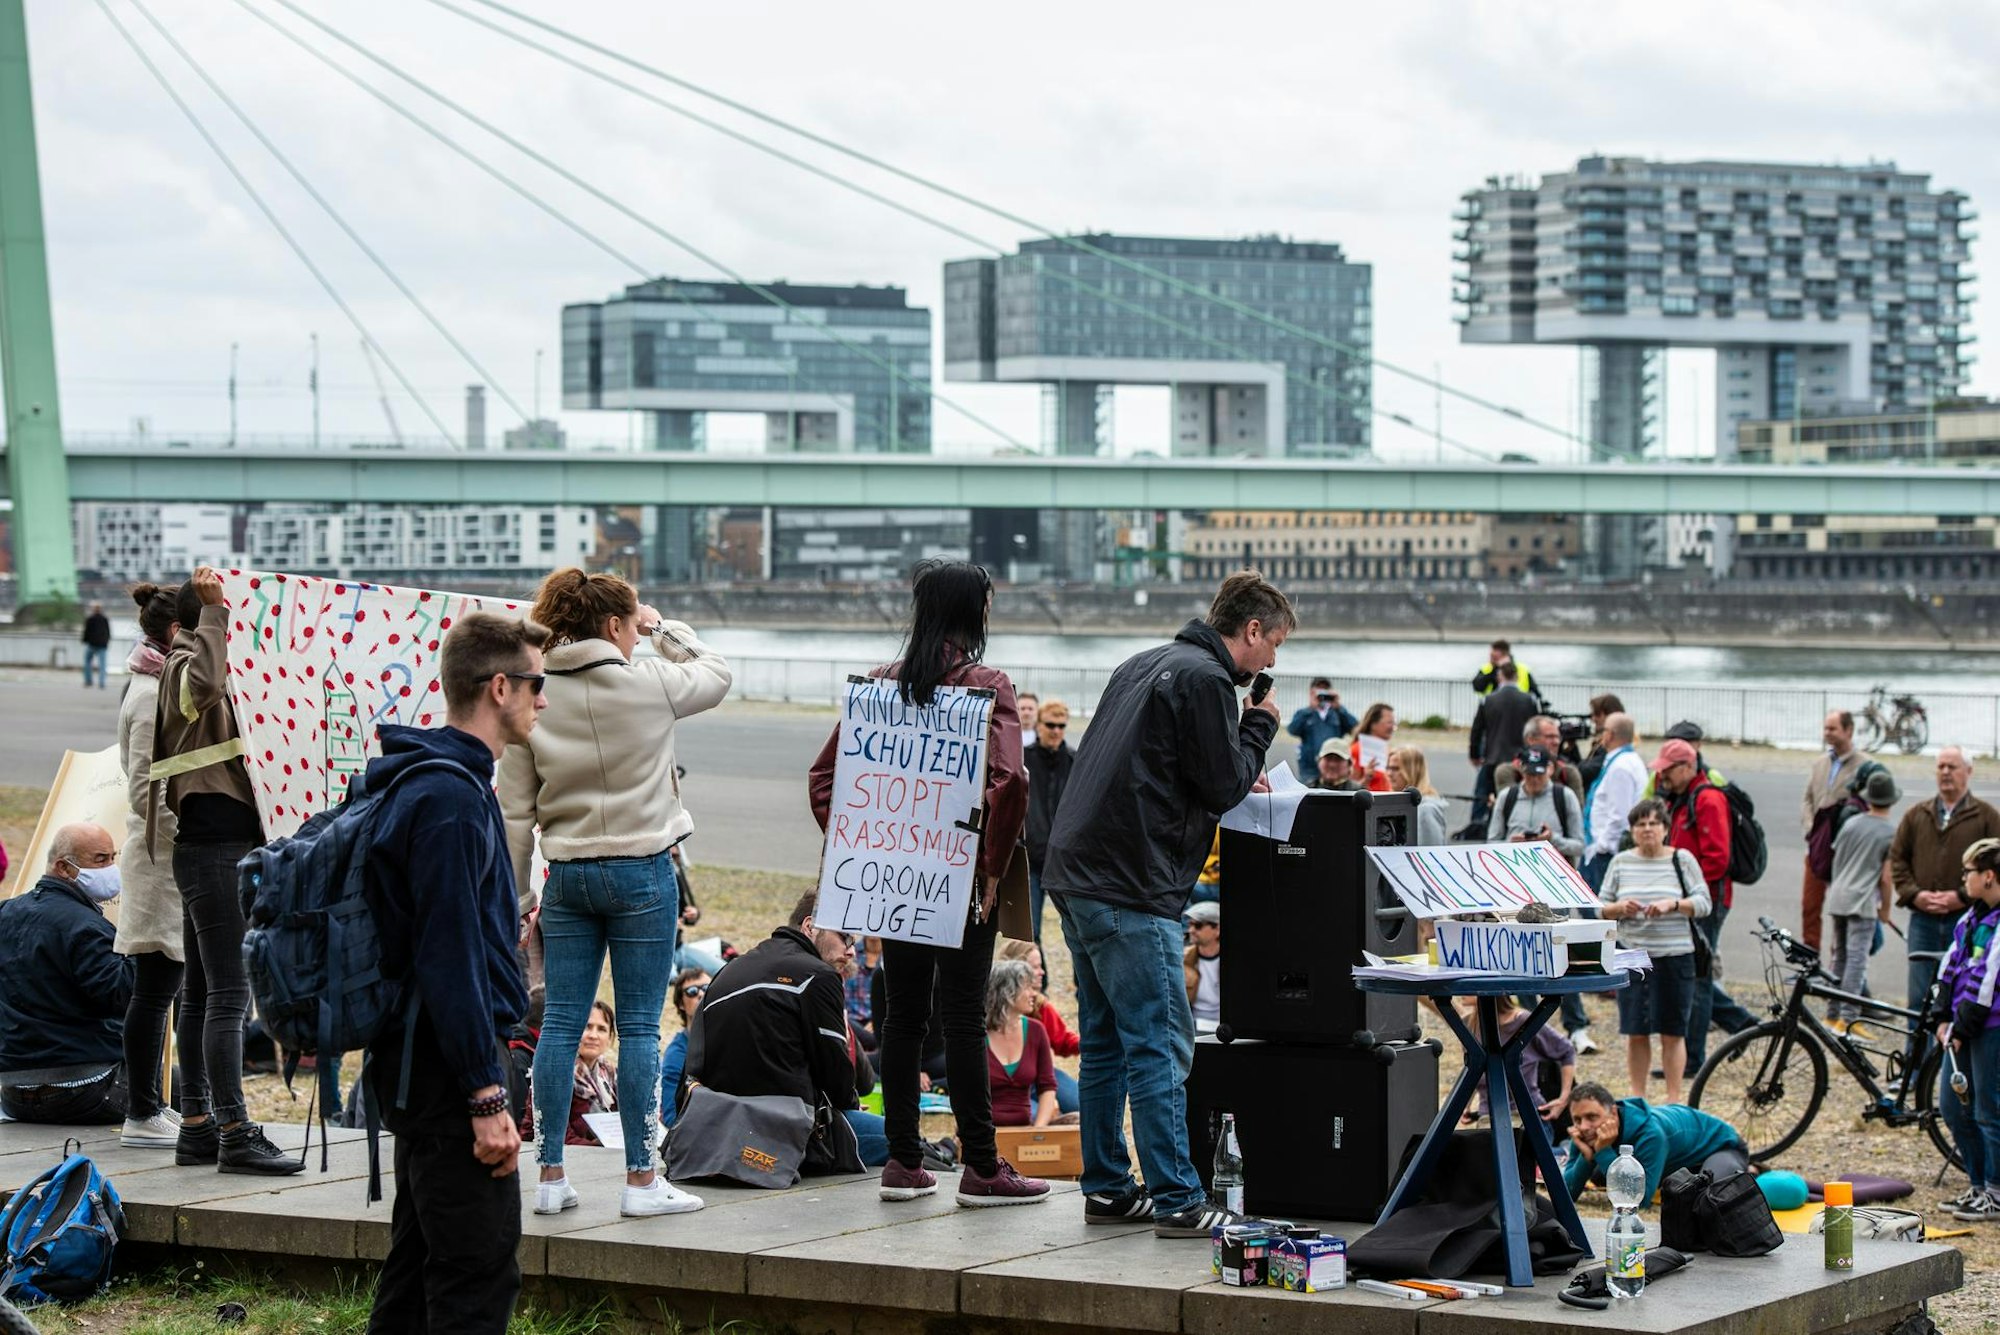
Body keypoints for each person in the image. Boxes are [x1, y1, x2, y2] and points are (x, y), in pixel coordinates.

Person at [1042, 570, 1290, 1237]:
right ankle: (1179, 1195)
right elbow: (1221, 783)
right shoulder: (1208, 679)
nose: (1272, 661)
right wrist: (1259, 726)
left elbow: (1157, 763)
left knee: (1104, 1043)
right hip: (1133, 882)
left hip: (1076, 873)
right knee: (1158, 1043)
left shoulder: (1141, 663)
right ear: (1252, 629)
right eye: (1274, 645)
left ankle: (1108, 1186)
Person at [499, 568, 731, 1219]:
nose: (638, 633)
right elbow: (717, 672)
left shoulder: (534, 696)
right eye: (632, 624)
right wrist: (666, 630)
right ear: (613, 625)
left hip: (568, 875)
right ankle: (639, 1180)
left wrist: (520, 900)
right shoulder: (650, 680)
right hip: (642, 873)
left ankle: (548, 1174)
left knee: (560, 1024)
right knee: (636, 1027)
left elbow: (515, 814)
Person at [807, 559, 1041, 1207]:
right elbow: (1012, 781)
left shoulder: (880, 684)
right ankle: (984, 1167)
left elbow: (824, 778)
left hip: (897, 871)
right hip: (962, 878)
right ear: (977, 612)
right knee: (963, 1016)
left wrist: (864, 839)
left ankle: (904, 1163)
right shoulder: (986, 683)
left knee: (903, 1016)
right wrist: (992, 865)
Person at [360, 610, 547, 1333]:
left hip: (418, 1059)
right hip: (447, 1067)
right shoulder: (448, 799)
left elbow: (447, 933)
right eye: (535, 684)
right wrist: (485, 1094)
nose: (543, 699)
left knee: (415, 1269)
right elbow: (449, 958)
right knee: (476, 1273)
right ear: (499, 686)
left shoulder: (438, 781)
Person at [152, 566, 293, 1174]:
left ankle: (198, 1125)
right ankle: (234, 1132)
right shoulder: (188, 665)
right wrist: (214, 613)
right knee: (230, 997)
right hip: (217, 851)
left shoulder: (196, 662)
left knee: (204, 993)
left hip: (209, 849)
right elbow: (205, 687)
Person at [681, 895, 884, 1172]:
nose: (851, 951)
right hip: (786, 1136)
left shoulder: (730, 970)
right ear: (810, 926)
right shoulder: (819, 976)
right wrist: (848, 1105)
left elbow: (694, 1066)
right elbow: (838, 1080)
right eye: (846, 937)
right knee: (904, 1140)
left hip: (717, 1131)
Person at [113, 582, 188, 1149]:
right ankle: (142, 1111)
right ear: (172, 633)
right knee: (155, 987)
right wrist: (188, 835)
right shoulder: (147, 693)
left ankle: (161, 1106)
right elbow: (145, 787)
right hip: (159, 858)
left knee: (169, 986)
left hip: (164, 855)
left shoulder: (156, 681)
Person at [0, 824, 134, 1124]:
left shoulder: (5, 914)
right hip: (85, 1087)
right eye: (101, 860)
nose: (111, 869)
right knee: (186, 1089)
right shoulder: (85, 927)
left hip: (12, 1092)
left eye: (113, 858)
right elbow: (123, 996)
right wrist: (141, 948)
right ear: (63, 867)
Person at [1599, 799, 1710, 1103]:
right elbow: (1599, 907)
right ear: (1632, 831)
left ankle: (1674, 1099)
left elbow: (1704, 903)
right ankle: (1638, 1097)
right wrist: (1619, 908)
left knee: (1673, 1030)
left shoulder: (1682, 860)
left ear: (1665, 828)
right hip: (1633, 956)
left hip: (1675, 956)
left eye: (1653, 823)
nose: (1647, 829)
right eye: (1640, 824)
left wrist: (1672, 905)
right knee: (1636, 1029)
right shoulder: (1621, 861)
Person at [1891, 746, 2000, 1013]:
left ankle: (1946, 1053)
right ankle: (1914, 1055)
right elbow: (1898, 859)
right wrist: (1915, 894)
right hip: (1923, 921)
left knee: (1958, 995)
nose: (1945, 773)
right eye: (1941, 766)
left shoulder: (1986, 816)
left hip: (1966, 920)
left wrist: (1960, 897)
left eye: (1952, 767)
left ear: (1968, 772)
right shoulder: (1917, 814)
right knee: (1918, 999)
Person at [1934, 838, 2000, 1222]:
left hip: (1987, 1029)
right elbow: (1950, 966)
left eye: (1968, 872)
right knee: (1953, 1108)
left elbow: (1989, 983)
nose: (1964, 879)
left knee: (1988, 1110)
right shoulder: (1971, 917)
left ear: (1989, 876)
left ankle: (1995, 1189)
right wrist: (1942, 1017)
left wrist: (1961, 1027)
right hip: (1959, 1027)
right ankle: (1978, 1185)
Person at [1559, 1083, 1748, 1206]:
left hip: (1722, 1146)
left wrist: (1602, 1150)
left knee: (1710, 1199)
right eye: (1577, 1119)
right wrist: (1587, 1156)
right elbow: (1565, 1195)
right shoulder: (1585, 1132)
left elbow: (1639, 1201)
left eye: (1592, 1117)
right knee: (1602, 1175)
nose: (1584, 1127)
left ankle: (1748, 1170)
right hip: (1677, 1158)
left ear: (1614, 1113)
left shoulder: (1651, 1134)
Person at [1826, 770, 1899, 1036]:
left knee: (1839, 957)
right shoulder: (1889, 833)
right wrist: (1885, 909)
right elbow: (1886, 878)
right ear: (1891, 800)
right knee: (1857, 960)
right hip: (1863, 902)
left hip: (1838, 896)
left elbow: (1837, 858)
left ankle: (1832, 1014)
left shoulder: (1851, 823)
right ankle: (1849, 1020)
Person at [1801, 710, 1872, 953]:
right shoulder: (1820, 763)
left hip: (1845, 850)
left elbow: (1869, 806)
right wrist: (1811, 829)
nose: (1827, 733)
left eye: (1833, 728)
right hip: (1817, 846)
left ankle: (1837, 960)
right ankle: (1809, 959)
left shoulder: (1865, 765)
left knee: (1841, 908)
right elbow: (1808, 799)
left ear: (1849, 730)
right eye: (1825, 728)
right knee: (1810, 905)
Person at [1456, 994, 1575, 1137]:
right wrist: (1466, 1104)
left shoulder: (1523, 1021)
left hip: (1528, 1119)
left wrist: (1564, 1099)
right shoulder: (1470, 1024)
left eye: (1471, 985)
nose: (1462, 993)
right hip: (1488, 1119)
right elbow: (1475, 1068)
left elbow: (1566, 1050)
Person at [996, 939, 1079, 1115]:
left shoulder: (1041, 1008)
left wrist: (1097, 1044)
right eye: (1034, 968)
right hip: (1006, 1085)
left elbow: (1063, 1041)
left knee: (1084, 1103)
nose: (1042, 972)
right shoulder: (989, 1013)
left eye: (1040, 966)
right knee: (1029, 1117)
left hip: (1039, 1077)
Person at [519, 1001, 618, 1147]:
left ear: (610, 1038)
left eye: (602, 1029)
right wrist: (604, 1146)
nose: (593, 1035)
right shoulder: (556, 1070)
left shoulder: (609, 1075)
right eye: (587, 1027)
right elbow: (556, 1137)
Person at [1023, 696, 1075, 959]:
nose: (1056, 731)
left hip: (1065, 860)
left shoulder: (1075, 761)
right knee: (1029, 931)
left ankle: (1083, 989)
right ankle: (1035, 986)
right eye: (1051, 725)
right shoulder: (1024, 760)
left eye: (1061, 726)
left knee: (1079, 929)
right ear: (1039, 725)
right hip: (1032, 856)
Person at [985, 960, 1061, 1129]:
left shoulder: (1036, 1030)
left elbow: (1047, 1086)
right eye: (1027, 988)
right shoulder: (977, 1035)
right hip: (984, 1132)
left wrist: (1037, 1132)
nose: (1034, 994)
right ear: (1007, 992)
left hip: (1025, 1127)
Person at [1486, 746, 1583, 865]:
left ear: (1550, 769)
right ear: (1521, 769)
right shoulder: (1506, 796)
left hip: (1553, 874)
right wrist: (1510, 844)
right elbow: (1491, 843)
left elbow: (1579, 847)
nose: (1535, 780)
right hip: (1514, 872)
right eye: (1530, 774)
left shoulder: (1565, 796)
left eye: (1539, 775)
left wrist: (1552, 839)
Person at [1581, 713, 1645, 891]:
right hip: (1604, 848)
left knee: (1594, 909)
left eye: (1603, 731)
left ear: (1609, 734)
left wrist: (1601, 847)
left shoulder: (1620, 767)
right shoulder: (1626, 761)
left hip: (1607, 852)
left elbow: (1620, 814)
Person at [1468, 662, 1537, 825]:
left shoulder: (1488, 700)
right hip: (1520, 758)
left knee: (1483, 794)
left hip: (1493, 755)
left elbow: (1477, 729)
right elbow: (1535, 729)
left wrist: (1474, 754)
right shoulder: (1529, 700)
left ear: (1500, 676)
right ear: (1517, 677)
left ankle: (1478, 825)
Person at [657, 968, 709, 1132]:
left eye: (707, 988)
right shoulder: (676, 1054)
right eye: (692, 992)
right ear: (680, 1004)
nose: (701, 994)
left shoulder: (731, 1038)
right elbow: (671, 1116)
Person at [1494, 715, 1585, 800]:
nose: (1556, 742)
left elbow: (1576, 811)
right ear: (1531, 740)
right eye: (1550, 737)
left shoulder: (1568, 772)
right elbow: (1511, 808)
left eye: (1558, 737)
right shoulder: (1509, 771)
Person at [1287, 678, 1357, 780]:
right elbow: (1293, 729)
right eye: (1319, 689)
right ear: (1312, 692)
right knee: (1309, 794)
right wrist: (1311, 708)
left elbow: (1355, 728)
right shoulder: (1305, 713)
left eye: (1325, 689)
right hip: (1309, 769)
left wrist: (1339, 707)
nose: (1322, 693)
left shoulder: (1337, 713)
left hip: (1333, 766)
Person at [1386, 746, 1450, 845]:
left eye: (1395, 768)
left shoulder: (1426, 810)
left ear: (1411, 771)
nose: (1389, 773)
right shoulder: (1398, 803)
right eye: (1388, 768)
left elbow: (1431, 855)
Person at [1576, 693, 1627, 793]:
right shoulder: (1601, 742)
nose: (1593, 719)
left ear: (1611, 715)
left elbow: (1588, 771)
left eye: (1597, 714)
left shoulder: (1612, 745)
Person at [1183, 901, 1223, 1025]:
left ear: (1217, 929)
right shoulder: (1184, 958)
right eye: (1190, 925)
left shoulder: (1234, 961)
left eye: (1198, 925)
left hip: (1223, 1025)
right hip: (1192, 1025)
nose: (1191, 930)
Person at [1349, 702, 1398, 793]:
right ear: (1373, 724)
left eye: (1394, 723)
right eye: (1389, 722)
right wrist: (1366, 779)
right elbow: (1350, 790)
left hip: (1386, 803)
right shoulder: (1357, 750)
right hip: (1369, 804)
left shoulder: (1386, 749)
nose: (1393, 727)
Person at [845, 938, 882, 1052]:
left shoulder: (894, 957)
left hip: (880, 1024)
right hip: (850, 1022)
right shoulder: (849, 951)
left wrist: (876, 1021)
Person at [81, 601, 111, 689]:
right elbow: (108, 632)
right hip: (102, 644)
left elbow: (86, 632)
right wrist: (107, 641)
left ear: (93, 609)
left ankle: (88, 681)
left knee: (87, 662)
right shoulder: (104, 619)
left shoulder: (90, 619)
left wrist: (84, 640)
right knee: (102, 664)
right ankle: (102, 683)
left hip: (92, 644)